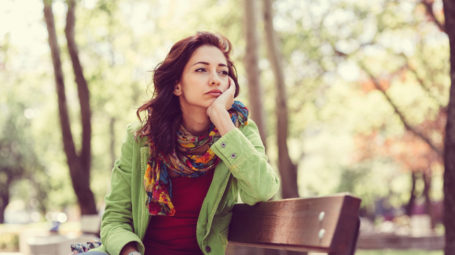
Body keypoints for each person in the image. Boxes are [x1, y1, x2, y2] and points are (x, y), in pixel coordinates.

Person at [87, 31, 280, 255]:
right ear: (177, 85)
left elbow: (263, 190)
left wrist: (222, 118)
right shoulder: (141, 138)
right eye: (201, 69)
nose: (215, 79)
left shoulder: (239, 131)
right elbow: (114, 219)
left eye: (222, 71)